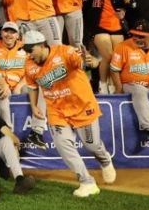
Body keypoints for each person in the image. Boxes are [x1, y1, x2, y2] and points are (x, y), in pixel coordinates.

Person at [23, 31, 116, 197]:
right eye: (26, 50)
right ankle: (87, 182)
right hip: (56, 109)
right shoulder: (29, 64)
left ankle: (104, 159)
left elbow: (80, 61)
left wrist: (91, 61)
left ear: (43, 45)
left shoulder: (64, 52)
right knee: (64, 146)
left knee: (91, 145)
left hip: (81, 105)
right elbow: (32, 86)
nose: (28, 53)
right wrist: (34, 105)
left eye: (31, 49)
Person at [83, 0, 135, 93]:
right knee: (110, 56)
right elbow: (81, 5)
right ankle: (105, 85)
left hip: (117, 28)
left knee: (113, 59)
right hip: (99, 28)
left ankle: (110, 85)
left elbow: (133, 5)